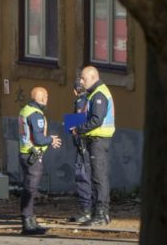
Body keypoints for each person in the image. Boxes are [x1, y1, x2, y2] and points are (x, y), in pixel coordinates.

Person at [71, 66, 116, 226]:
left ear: (93, 77)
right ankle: (99, 213)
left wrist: (78, 129)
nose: (81, 82)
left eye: (83, 78)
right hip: (95, 139)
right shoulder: (93, 94)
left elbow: (96, 119)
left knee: (99, 177)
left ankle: (101, 214)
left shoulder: (99, 94)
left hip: (98, 139)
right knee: (96, 177)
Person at [18, 86, 62, 235]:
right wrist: (51, 140)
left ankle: (31, 222)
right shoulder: (36, 114)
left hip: (26, 154)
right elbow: (38, 139)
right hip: (33, 156)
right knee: (30, 190)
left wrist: (47, 139)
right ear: (42, 98)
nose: (47, 99)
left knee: (29, 189)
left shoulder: (25, 109)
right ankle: (27, 223)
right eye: (47, 96)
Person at [69, 78, 92, 223]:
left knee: (82, 175)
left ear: (74, 91)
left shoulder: (80, 102)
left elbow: (75, 128)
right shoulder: (92, 98)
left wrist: (71, 127)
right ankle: (94, 209)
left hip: (83, 145)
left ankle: (86, 210)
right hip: (93, 143)